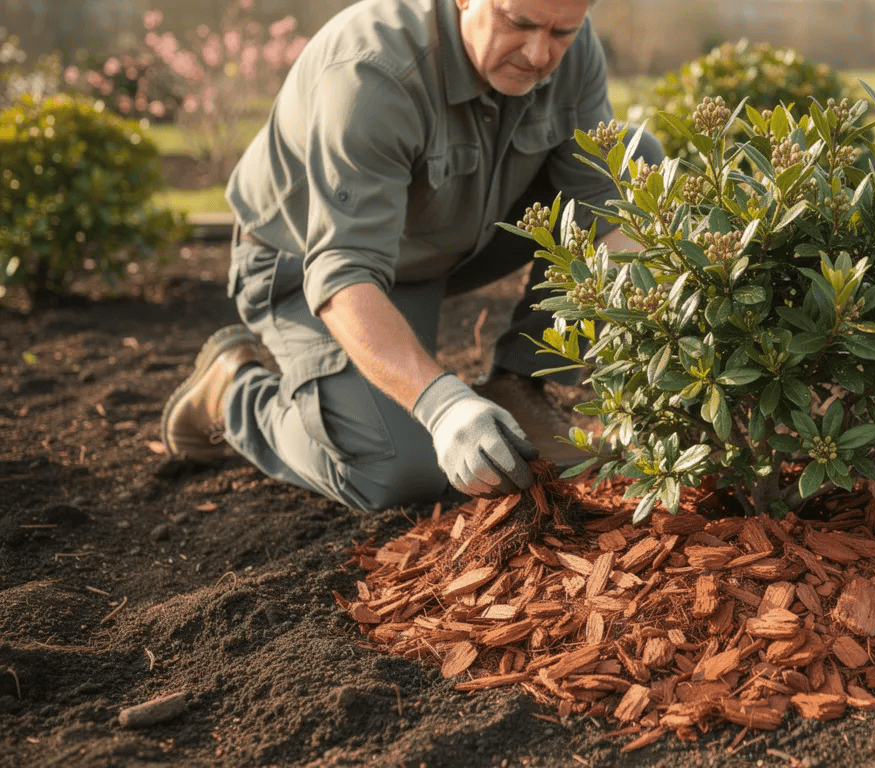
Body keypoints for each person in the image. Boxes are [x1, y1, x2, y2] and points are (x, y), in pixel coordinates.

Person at [159, 0, 663, 512]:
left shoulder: (569, 48)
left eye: (561, 31)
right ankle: (232, 394)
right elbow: (344, 272)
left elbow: (605, 206)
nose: (539, 54)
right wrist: (443, 406)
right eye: (519, 23)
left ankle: (517, 385)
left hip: (446, 238)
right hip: (304, 260)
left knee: (634, 160)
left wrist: (655, 354)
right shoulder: (372, 73)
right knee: (400, 472)